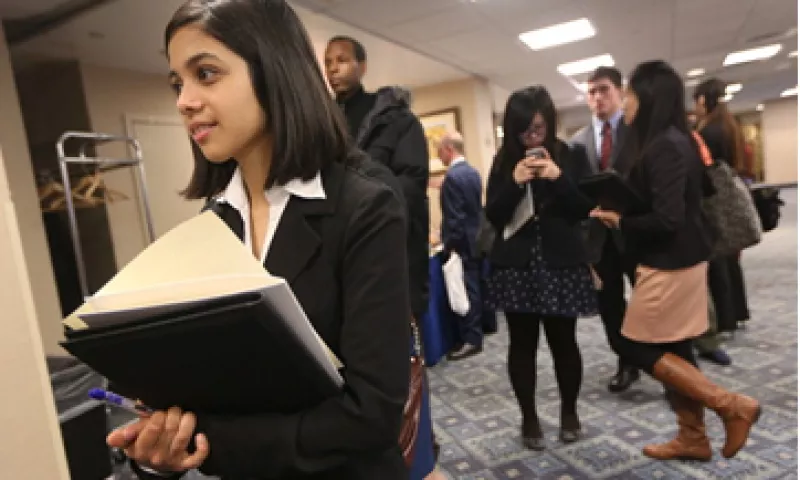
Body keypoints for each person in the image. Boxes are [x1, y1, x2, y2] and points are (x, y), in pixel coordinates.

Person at [106, 1, 411, 479]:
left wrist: (208, 443)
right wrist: (160, 451)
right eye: (176, 83)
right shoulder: (215, 222)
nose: (184, 100)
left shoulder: (365, 207)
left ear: (276, 72)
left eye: (205, 74)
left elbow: (369, 416)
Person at [591, 60, 760, 462]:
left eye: (630, 93)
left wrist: (620, 219)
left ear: (647, 97)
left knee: (635, 346)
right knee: (677, 351)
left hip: (670, 263)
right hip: (679, 259)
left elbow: (667, 218)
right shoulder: (668, 139)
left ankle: (730, 405)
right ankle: (692, 437)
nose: (626, 102)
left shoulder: (666, 144)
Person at [485, 86, 598, 450]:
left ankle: (569, 412)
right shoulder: (504, 161)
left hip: (560, 263)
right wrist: (515, 183)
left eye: (538, 129)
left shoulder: (570, 154)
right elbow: (493, 215)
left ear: (549, 123)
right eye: (524, 131)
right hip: (517, 267)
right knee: (522, 346)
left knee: (564, 342)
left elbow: (583, 208)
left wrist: (557, 177)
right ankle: (529, 418)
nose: (532, 137)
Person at [323, 36, 429, 323]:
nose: (333, 69)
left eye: (342, 60)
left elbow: (412, 184)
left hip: (388, 247)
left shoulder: (395, 119)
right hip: (336, 255)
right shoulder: (321, 124)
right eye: (328, 63)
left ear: (362, 66)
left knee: (396, 350)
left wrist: (362, 204)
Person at [570, 66, 640, 393]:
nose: (598, 97)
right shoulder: (577, 143)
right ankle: (626, 361)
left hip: (636, 231)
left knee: (651, 300)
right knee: (610, 305)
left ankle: (669, 365)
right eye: (592, 92)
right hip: (598, 239)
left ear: (619, 92)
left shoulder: (637, 131)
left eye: (604, 90)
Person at [693, 78, 753, 333]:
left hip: (714, 200)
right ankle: (738, 311)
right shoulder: (730, 125)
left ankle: (725, 318)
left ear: (705, 99)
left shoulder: (708, 131)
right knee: (730, 258)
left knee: (717, 259)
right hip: (728, 195)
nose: (695, 106)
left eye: (697, 100)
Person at [436, 131, 484, 359]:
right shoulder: (473, 173)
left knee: (466, 290)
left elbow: (454, 217)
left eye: (439, 150)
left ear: (448, 149)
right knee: (474, 288)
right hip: (476, 238)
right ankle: (477, 332)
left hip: (462, 242)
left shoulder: (452, 178)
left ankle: (471, 339)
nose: (438, 156)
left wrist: (449, 245)